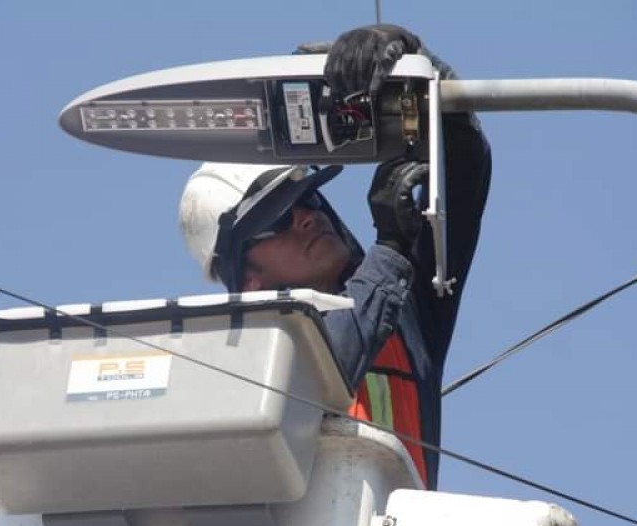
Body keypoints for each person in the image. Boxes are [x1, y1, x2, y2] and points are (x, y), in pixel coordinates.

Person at [178, 24, 491, 490]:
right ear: (250, 282)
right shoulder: (239, 361)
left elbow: (463, 171)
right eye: (280, 217)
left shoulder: (404, 310)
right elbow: (323, 367)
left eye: (309, 199)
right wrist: (391, 249)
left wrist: (418, 70)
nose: (306, 217)